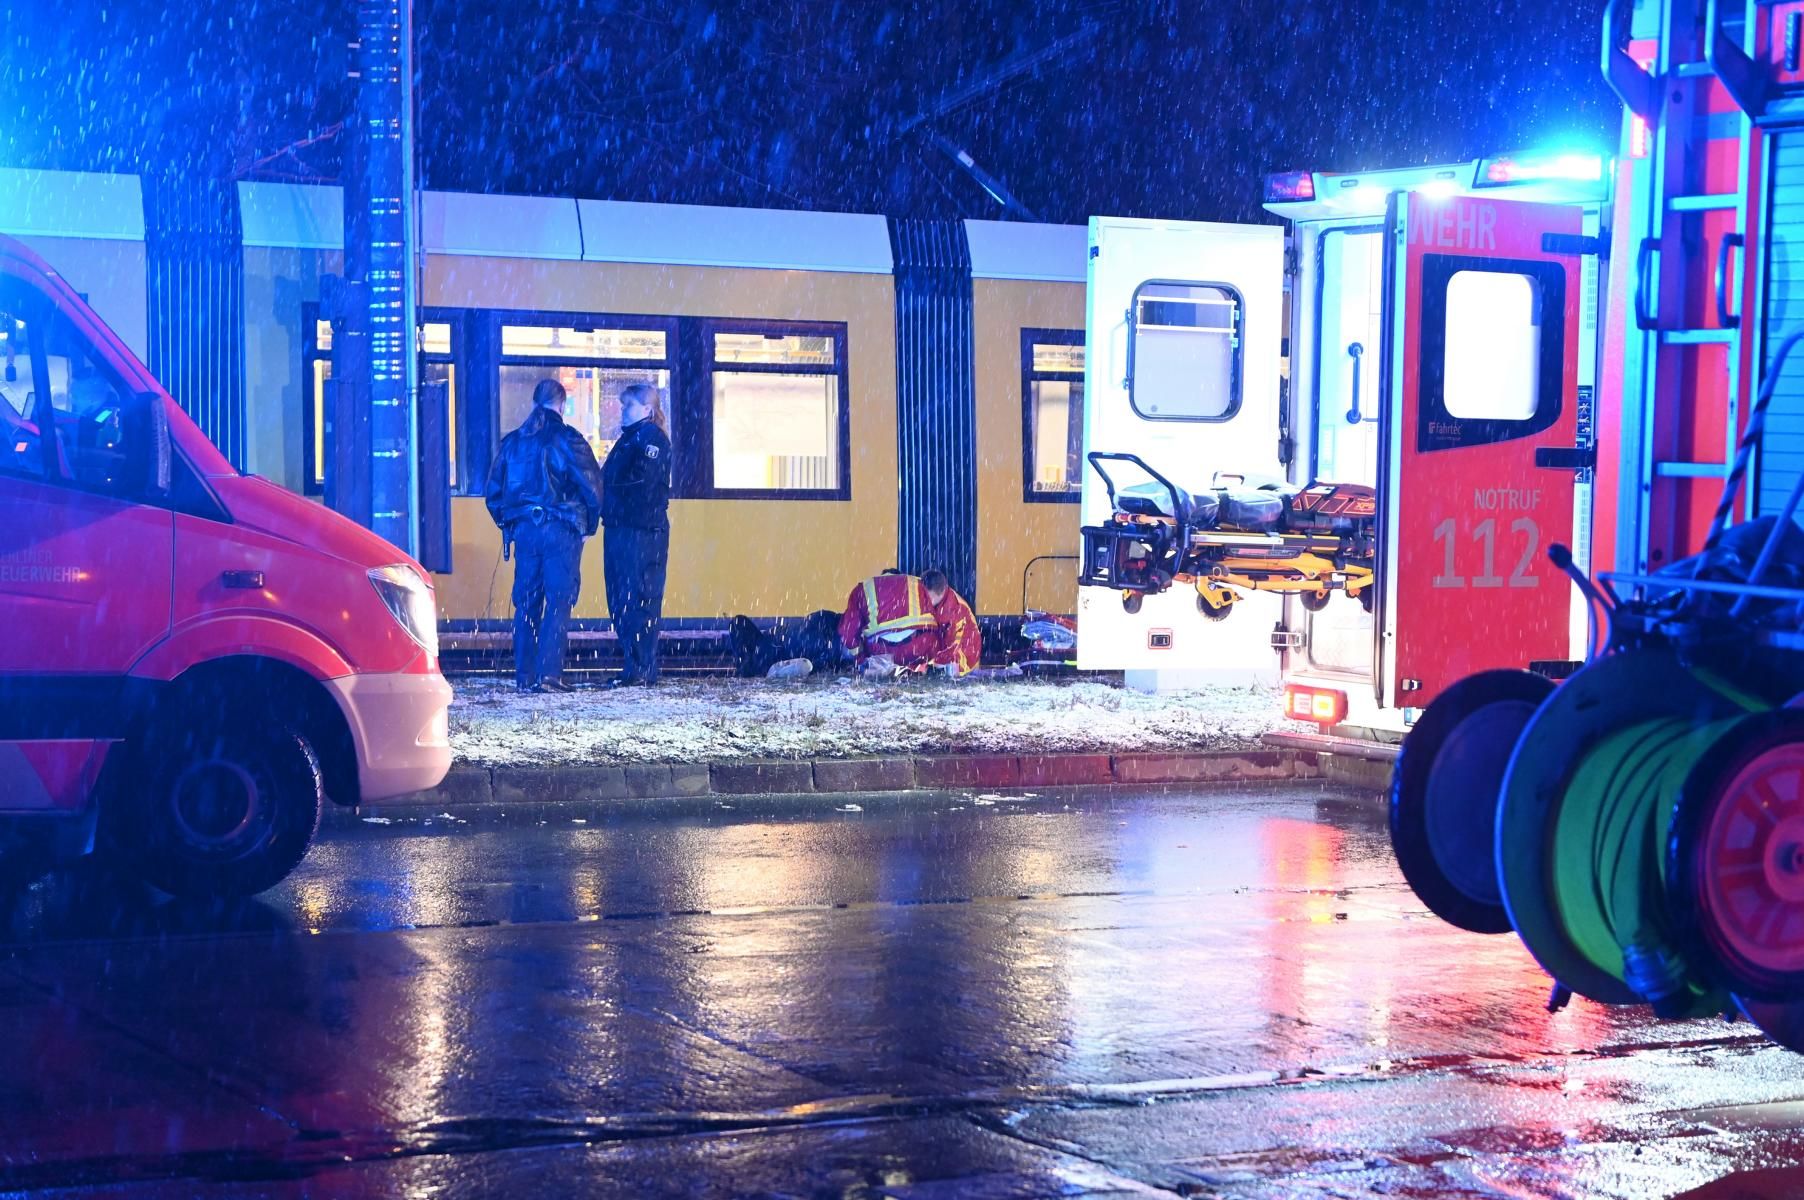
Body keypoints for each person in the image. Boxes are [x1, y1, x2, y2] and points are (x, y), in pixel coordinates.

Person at [484, 378, 604, 693]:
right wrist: (588, 525)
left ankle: (524, 675)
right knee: (558, 601)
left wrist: (512, 523)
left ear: (534, 401)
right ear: (562, 405)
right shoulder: (566, 438)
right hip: (560, 529)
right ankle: (549, 674)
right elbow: (592, 486)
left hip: (525, 532)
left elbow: (493, 494)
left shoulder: (514, 441)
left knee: (526, 603)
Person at [600, 382, 673, 688]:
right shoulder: (633, 438)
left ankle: (641, 669)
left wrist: (607, 494)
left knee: (636, 600)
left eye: (627, 405)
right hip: (626, 529)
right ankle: (636, 667)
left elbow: (639, 483)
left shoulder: (649, 440)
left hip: (638, 532)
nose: (622, 410)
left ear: (646, 409)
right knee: (623, 600)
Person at [838, 569, 940, 672]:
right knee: (929, 637)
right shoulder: (917, 583)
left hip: (879, 649)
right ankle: (919, 668)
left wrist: (859, 658)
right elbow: (935, 621)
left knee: (854, 644)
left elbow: (848, 630)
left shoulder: (862, 589)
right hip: (913, 648)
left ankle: (876, 668)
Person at [922, 568, 981, 678]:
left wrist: (928, 664)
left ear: (939, 593)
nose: (924, 600)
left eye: (927, 597)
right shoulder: (942, 601)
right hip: (956, 654)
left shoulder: (955, 610)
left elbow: (953, 648)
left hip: (965, 658)